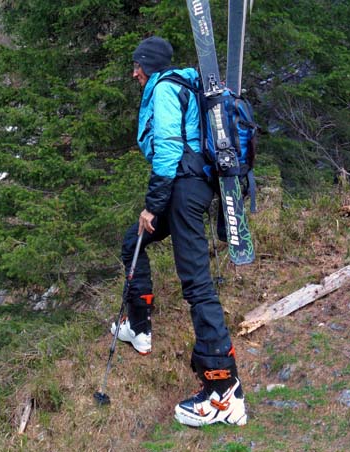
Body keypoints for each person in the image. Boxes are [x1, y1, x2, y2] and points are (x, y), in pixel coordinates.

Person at [111, 36, 246, 427]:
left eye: (138, 64)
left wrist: (152, 206)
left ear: (150, 65)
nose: (134, 72)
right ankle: (139, 329)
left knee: (197, 284)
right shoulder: (178, 85)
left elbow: (168, 152)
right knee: (132, 241)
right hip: (186, 187)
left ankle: (223, 391)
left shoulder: (167, 89)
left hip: (182, 188)